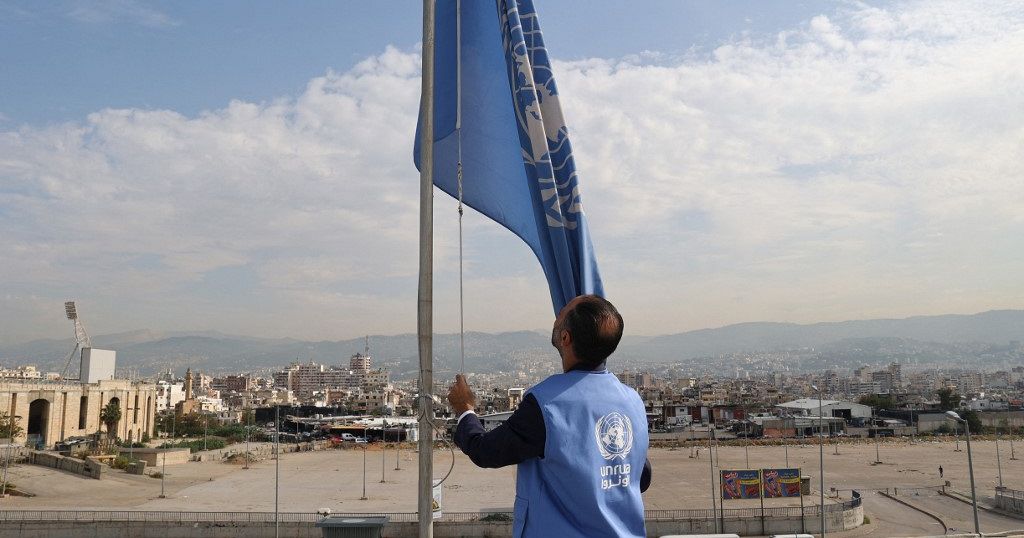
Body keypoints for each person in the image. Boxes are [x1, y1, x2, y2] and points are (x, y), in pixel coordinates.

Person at [448, 295, 651, 537]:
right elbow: (641, 476)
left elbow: (485, 451)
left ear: (565, 338)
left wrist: (464, 409)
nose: (557, 317)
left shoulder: (547, 404)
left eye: (562, 312)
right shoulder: (632, 401)